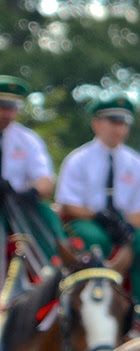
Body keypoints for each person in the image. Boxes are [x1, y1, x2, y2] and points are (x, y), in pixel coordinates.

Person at [56, 95, 140, 307]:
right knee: (94, 239)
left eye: (124, 124)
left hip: (124, 221)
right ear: (97, 124)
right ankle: (88, 304)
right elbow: (69, 204)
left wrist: (129, 231)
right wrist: (97, 216)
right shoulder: (78, 160)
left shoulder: (138, 164)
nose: (119, 129)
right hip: (88, 218)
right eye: (113, 122)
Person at [0, 75, 66, 259]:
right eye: (3, 107)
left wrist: (31, 193)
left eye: (12, 108)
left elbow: (46, 179)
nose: (8, 114)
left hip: (17, 204)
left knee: (48, 217)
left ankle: (54, 273)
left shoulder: (28, 140)